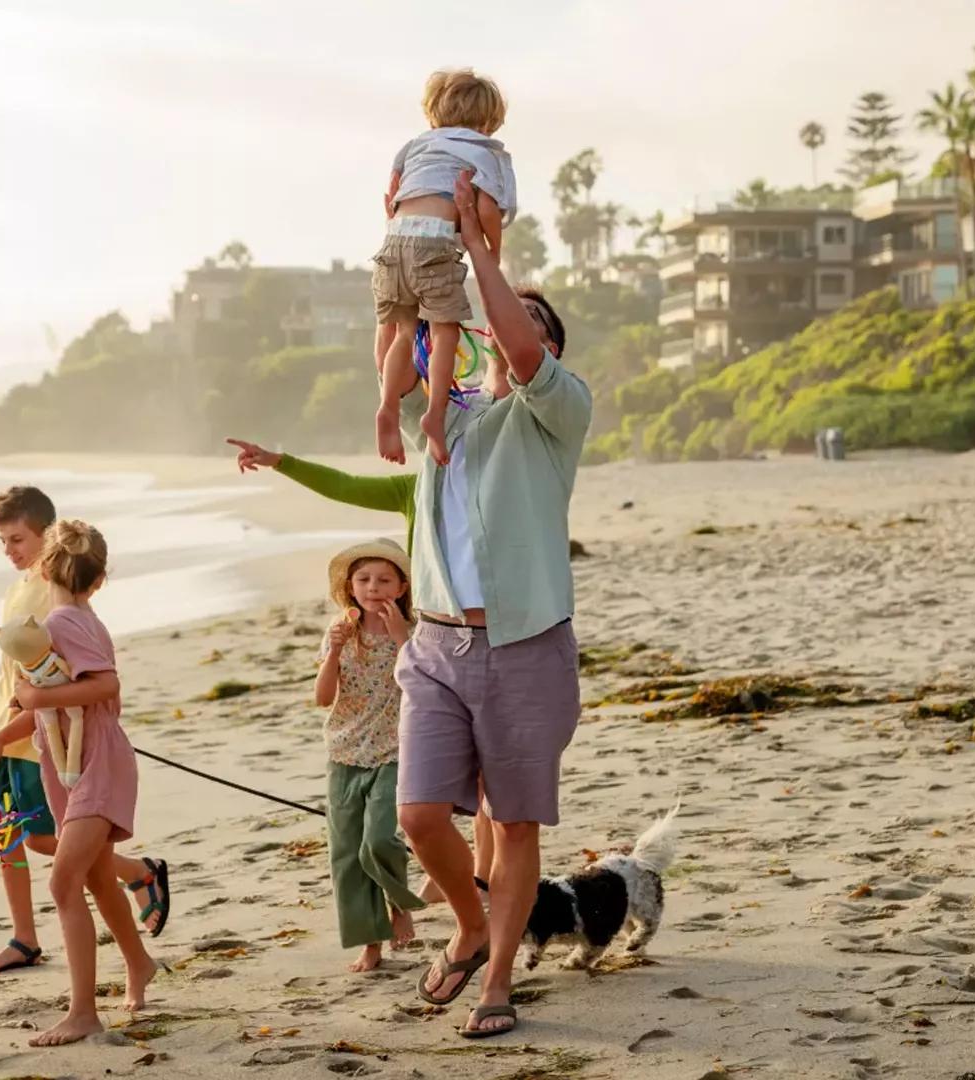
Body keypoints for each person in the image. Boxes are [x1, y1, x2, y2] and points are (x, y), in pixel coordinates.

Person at [391, 171, 592, 1040]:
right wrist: (406, 243)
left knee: (513, 826)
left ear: (547, 352)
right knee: (418, 814)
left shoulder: (560, 413)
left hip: (524, 648)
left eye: (531, 329)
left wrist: (481, 249)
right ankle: (471, 928)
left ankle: (498, 981)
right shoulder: (449, 423)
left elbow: (515, 347)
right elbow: (397, 360)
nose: (513, 337)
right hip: (435, 647)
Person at [222, 438, 497, 898]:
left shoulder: (496, 494)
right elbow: (345, 485)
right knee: (440, 767)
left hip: (489, 632)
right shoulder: (416, 489)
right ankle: (460, 870)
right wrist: (281, 461)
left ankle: (484, 872)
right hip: (431, 633)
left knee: (488, 768)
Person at [0, 487, 172, 978]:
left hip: (52, 741)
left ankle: (140, 873)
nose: (10, 550)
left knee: (47, 848)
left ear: (47, 542)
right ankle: (27, 938)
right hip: (25, 729)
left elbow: (84, 683)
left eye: (17, 539)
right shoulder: (23, 587)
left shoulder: (58, 607)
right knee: (11, 837)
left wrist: (21, 717)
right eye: (3, 540)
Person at [373, 68, 516, 469]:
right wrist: (492, 250)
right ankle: (434, 415)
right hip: (434, 243)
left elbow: (397, 189)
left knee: (404, 331)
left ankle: (386, 405)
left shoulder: (415, 146)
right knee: (444, 331)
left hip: (392, 242)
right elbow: (486, 207)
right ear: (489, 121)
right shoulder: (485, 152)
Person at [314, 539, 428, 972]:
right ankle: (371, 944)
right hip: (343, 749)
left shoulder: (415, 630)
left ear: (401, 587)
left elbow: (422, 684)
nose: (373, 587)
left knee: (379, 839)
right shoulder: (339, 631)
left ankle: (400, 904)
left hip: (397, 748)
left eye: (384, 579)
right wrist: (336, 652)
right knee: (346, 854)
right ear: (350, 586)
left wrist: (401, 638)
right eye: (363, 579)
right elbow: (323, 698)